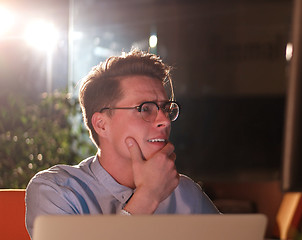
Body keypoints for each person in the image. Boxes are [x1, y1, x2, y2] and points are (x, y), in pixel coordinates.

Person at [25, 49, 220, 237]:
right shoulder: (57, 191)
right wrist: (148, 197)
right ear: (102, 125)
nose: (165, 120)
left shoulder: (185, 193)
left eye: (166, 108)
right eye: (146, 108)